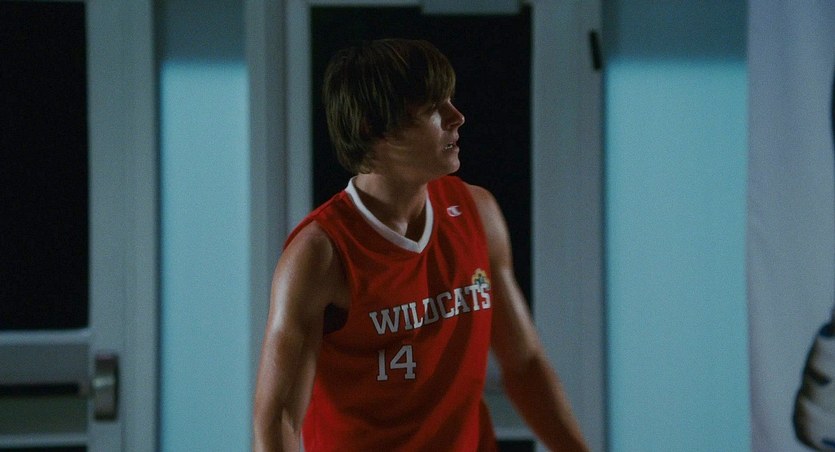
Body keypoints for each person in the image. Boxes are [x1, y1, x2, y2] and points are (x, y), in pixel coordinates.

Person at [253, 38, 589, 451]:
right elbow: (278, 419)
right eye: (433, 107)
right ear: (372, 127)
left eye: (450, 100)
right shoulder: (320, 254)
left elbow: (524, 365)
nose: (457, 117)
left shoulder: (477, 212)